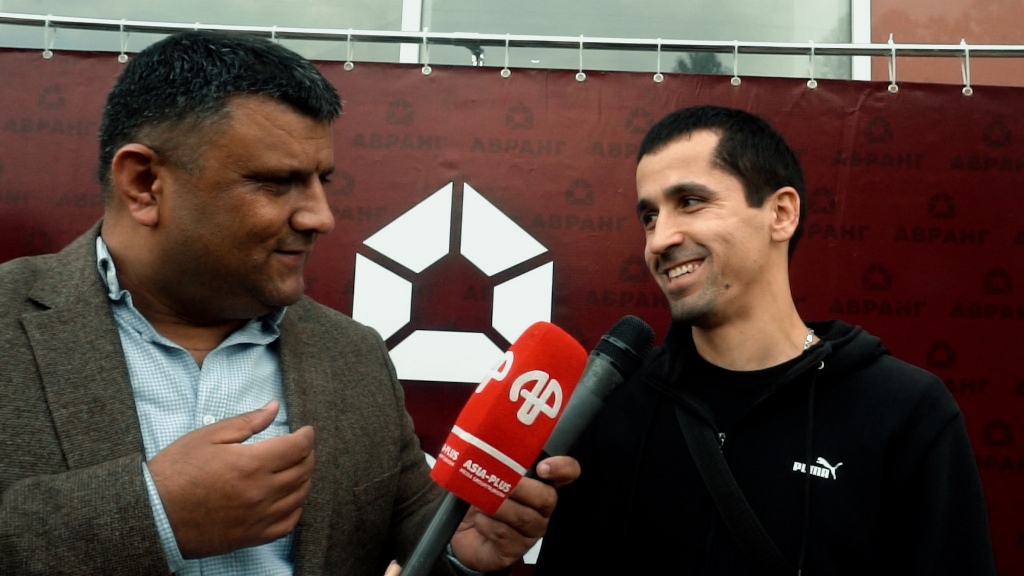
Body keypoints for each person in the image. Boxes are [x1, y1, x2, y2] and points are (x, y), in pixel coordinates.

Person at [0, 30, 577, 576]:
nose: (320, 217)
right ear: (144, 183)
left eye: (323, 180)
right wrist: (151, 515)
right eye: (277, 182)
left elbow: (415, 535)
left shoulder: (353, 356)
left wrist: (462, 549)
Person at [534, 105, 996, 574]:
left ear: (781, 213)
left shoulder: (905, 411)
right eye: (650, 217)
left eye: (690, 201)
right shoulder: (614, 407)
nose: (659, 240)